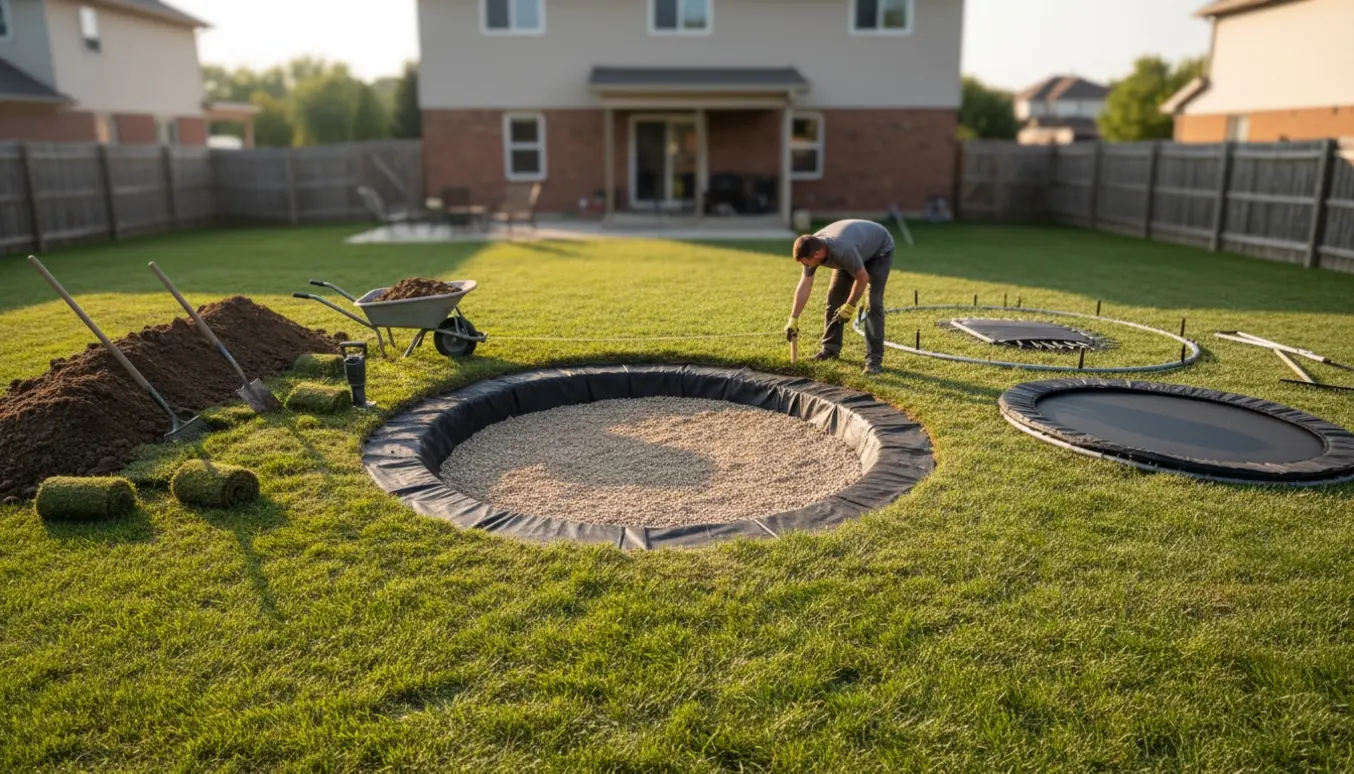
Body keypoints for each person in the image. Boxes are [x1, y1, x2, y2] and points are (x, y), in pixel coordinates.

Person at [784, 218, 895, 375]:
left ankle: (874, 361)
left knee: (873, 304)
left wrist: (850, 305)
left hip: (878, 252)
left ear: (817, 254)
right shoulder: (811, 247)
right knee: (834, 298)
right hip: (853, 250)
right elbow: (805, 284)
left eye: (807, 263)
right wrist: (793, 317)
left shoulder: (842, 250)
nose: (806, 267)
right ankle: (830, 350)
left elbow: (862, 278)